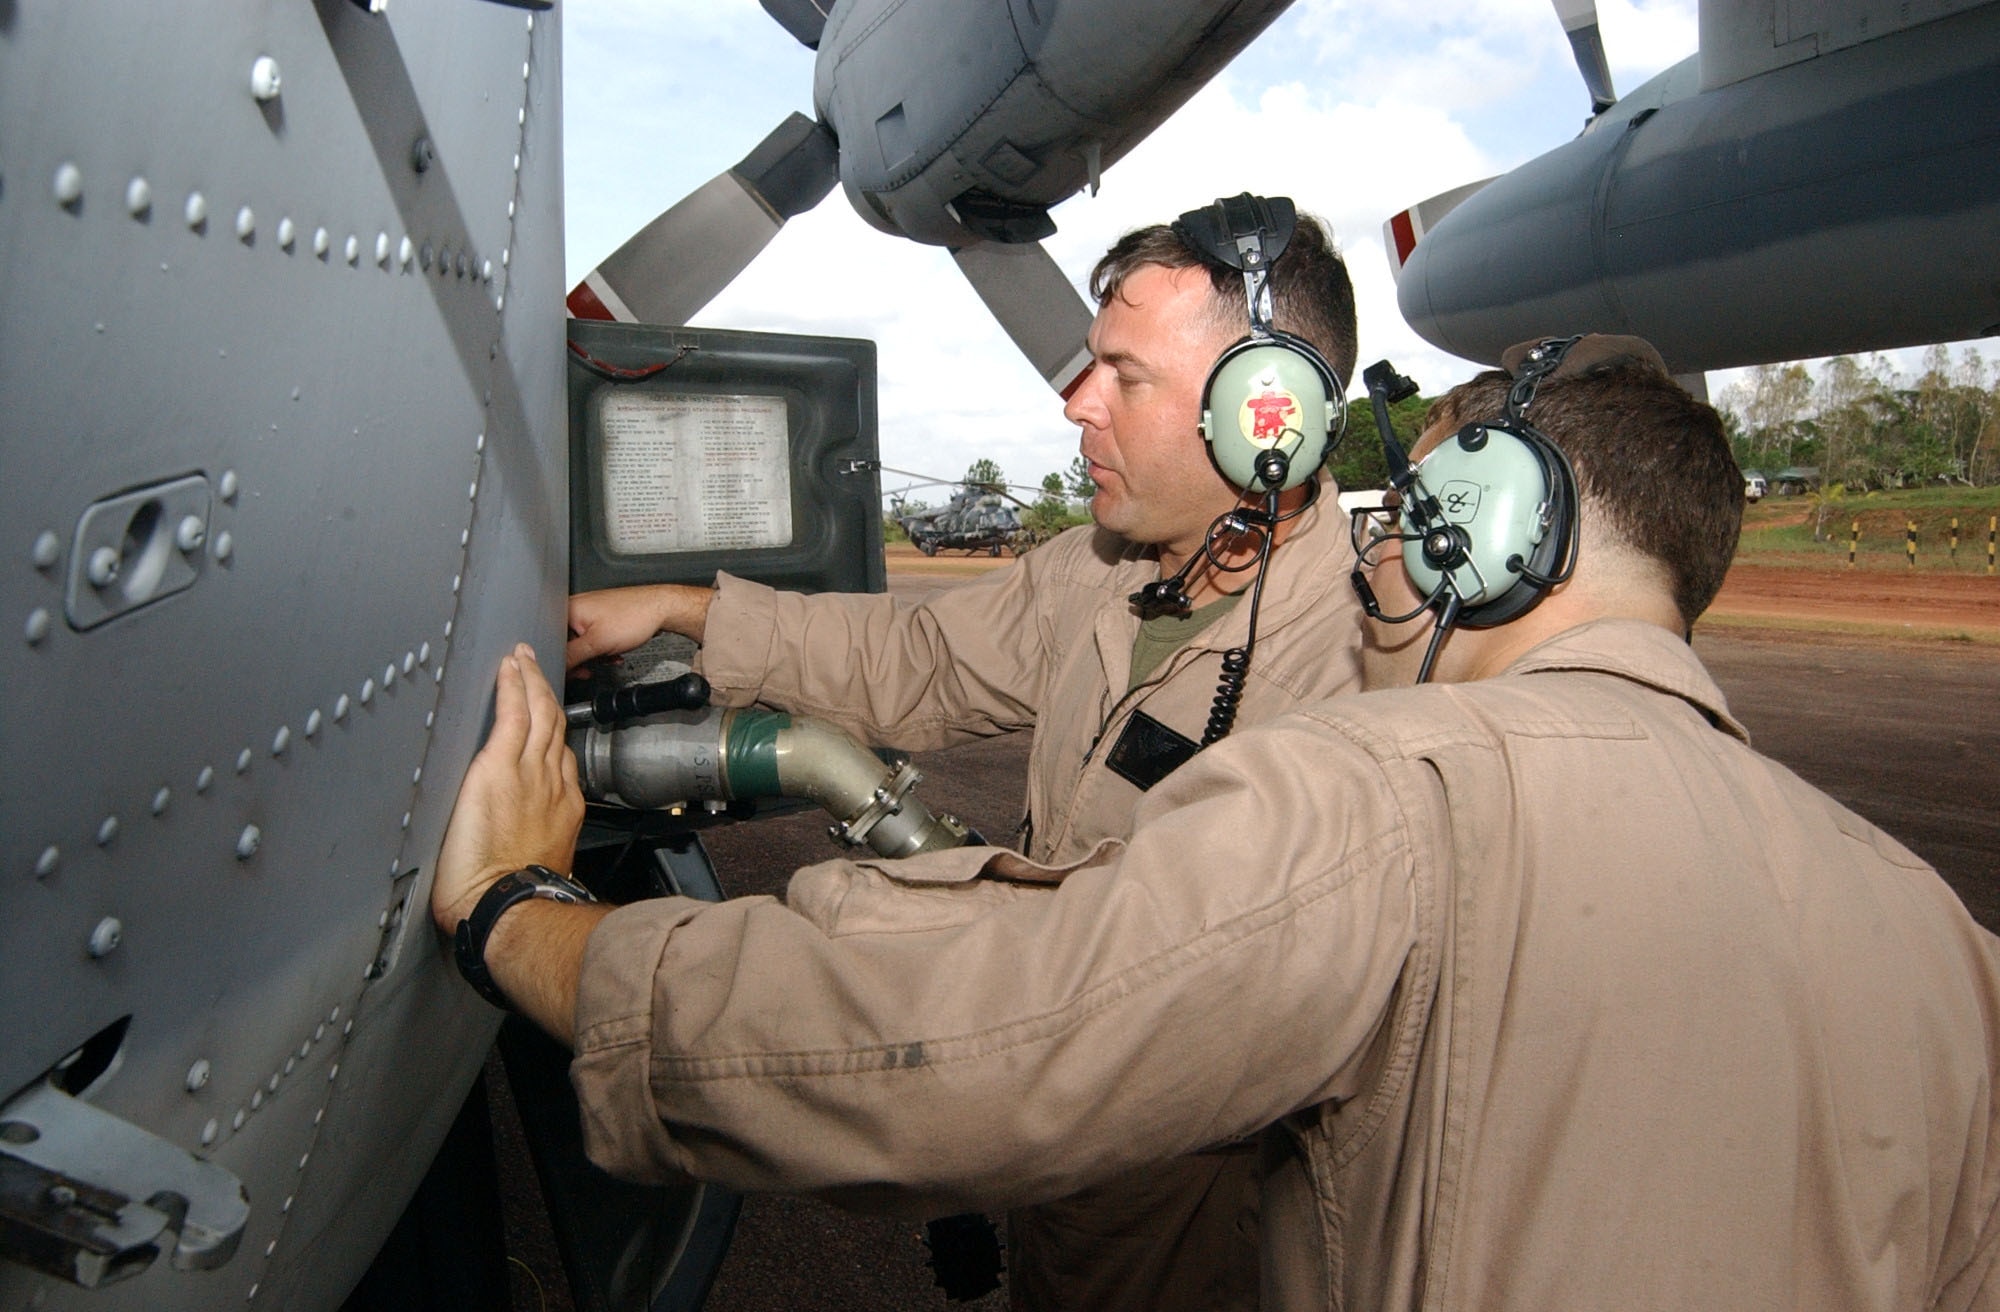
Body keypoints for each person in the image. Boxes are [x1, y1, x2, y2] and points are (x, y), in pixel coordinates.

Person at [436, 334, 2000, 1309]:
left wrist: (532, 919)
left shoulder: (1387, 790)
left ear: (1501, 532)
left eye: (1418, 526)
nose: (1390, 570)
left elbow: (964, 1045)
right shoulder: (1945, 939)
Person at [562, 201, 1365, 1309]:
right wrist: (681, 609)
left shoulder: (1369, 668)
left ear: (1263, 416)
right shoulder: (1099, 567)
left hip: (1200, 1214)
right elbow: (923, 658)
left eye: (1121, 377)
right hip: (1064, 1186)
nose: (1076, 403)